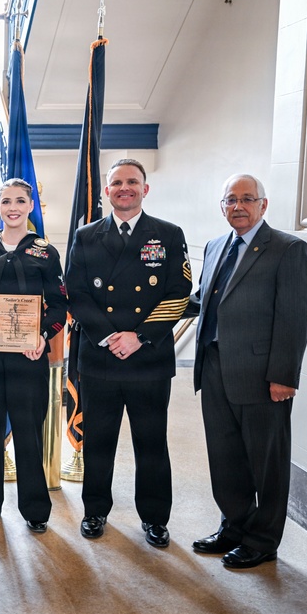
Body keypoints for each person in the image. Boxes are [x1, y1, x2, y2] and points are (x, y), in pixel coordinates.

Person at [188, 174, 307, 569]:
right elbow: (202, 299)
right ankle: (235, 526)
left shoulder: (288, 249)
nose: (238, 206)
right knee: (225, 456)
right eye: (231, 199)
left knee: (266, 462)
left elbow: (295, 317)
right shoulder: (214, 246)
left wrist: (284, 375)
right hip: (214, 366)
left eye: (247, 199)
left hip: (262, 374)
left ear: (263, 204)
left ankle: (263, 539)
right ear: (222, 206)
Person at [65, 158, 191, 547]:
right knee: (99, 442)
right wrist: (108, 336)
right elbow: (76, 293)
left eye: (132, 182)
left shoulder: (168, 234)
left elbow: (179, 293)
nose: (125, 188)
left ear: (145, 189)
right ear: (107, 190)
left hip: (148, 358)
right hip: (100, 356)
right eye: (117, 182)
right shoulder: (86, 236)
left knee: (151, 443)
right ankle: (95, 511)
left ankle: (155, 518)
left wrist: (138, 336)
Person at [0, 178, 68, 532]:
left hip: (28, 357)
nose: (13, 208)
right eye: (6, 201)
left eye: (20, 201)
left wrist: (43, 335)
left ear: (31, 205)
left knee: (28, 433)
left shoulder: (45, 253)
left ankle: (35, 509)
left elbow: (60, 304)